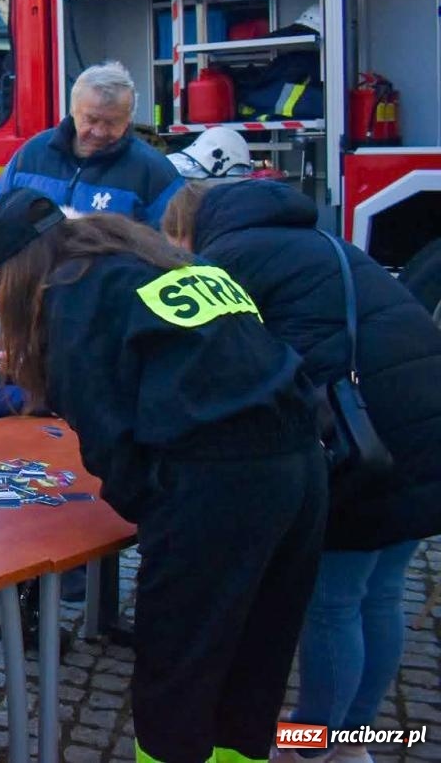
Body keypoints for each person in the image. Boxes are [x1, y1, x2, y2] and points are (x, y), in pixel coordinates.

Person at [0, 188, 325, 763]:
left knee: (179, 670)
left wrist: (161, 509)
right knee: (256, 656)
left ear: (18, 273)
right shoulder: (162, 261)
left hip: (218, 483)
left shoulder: (71, 293)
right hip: (301, 464)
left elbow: (109, 438)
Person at [161, 179, 441, 762]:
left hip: (362, 449)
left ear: (189, 232)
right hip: (425, 427)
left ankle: (312, 745)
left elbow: (202, 364)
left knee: (334, 602)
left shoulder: (226, 260)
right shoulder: (323, 243)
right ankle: (352, 742)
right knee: (381, 593)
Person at [0, 61, 181, 421]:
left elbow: (173, 254)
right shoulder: (30, 156)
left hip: (96, 321)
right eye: (91, 119)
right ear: (72, 109)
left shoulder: (152, 173)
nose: (98, 131)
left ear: (129, 118)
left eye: (111, 122)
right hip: (20, 303)